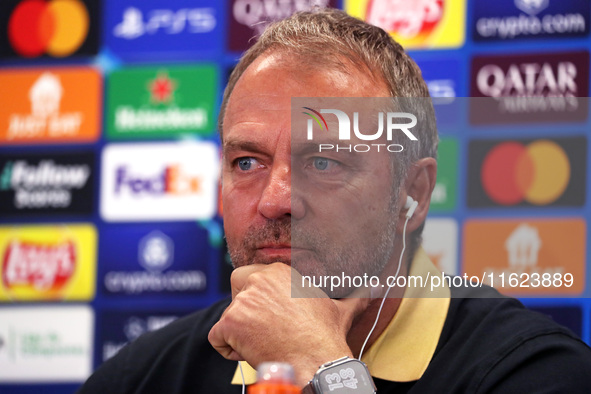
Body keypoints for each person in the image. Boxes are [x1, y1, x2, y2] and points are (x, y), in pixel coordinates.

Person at [78, 8, 591, 393]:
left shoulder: (537, 373)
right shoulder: (141, 378)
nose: (275, 201)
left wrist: (324, 368)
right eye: (247, 163)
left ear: (410, 195)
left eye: (324, 163)